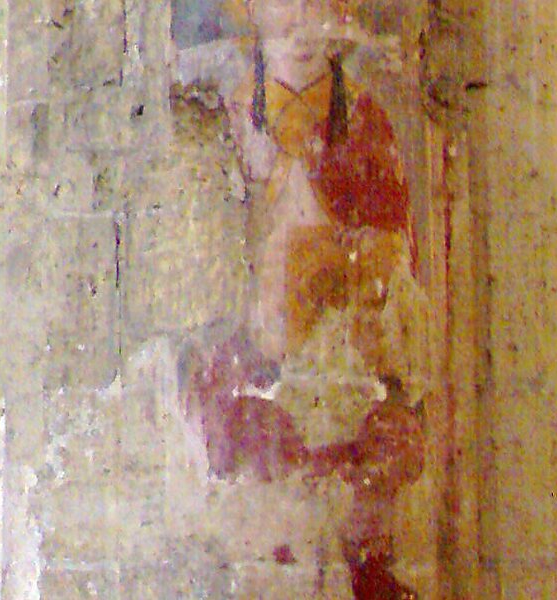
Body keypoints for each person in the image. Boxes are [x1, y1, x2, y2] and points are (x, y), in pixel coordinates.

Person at [178, 1, 430, 597]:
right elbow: (195, 284)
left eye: (321, 2)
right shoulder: (223, 122)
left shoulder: (366, 124)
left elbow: (395, 281)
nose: (302, 21)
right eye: (283, 3)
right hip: (254, 372)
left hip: (343, 371)